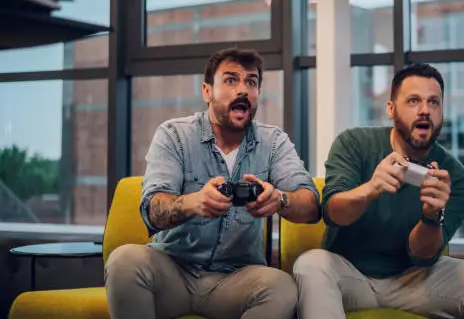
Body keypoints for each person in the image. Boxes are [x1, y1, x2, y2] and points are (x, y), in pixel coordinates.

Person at [105, 47, 321, 319]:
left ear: (258, 94)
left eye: (251, 82)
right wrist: (193, 203)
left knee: (282, 288)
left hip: (236, 279)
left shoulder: (274, 142)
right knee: (124, 261)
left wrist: (280, 200)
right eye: (231, 80)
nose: (242, 90)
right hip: (173, 271)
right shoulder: (174, 135)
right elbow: (153, 211)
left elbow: (311, 205)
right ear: (207, 91)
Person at [293, 63, 464, 319]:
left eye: (434, 102)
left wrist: (431, 215)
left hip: (414, 278)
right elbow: (334, 213)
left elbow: (422, 255)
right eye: (414, 101)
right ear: (391, 109)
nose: (425, 110)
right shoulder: (354, 143)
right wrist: (371, 189)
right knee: (311, 264)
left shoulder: (454, 178)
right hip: (349, 273)